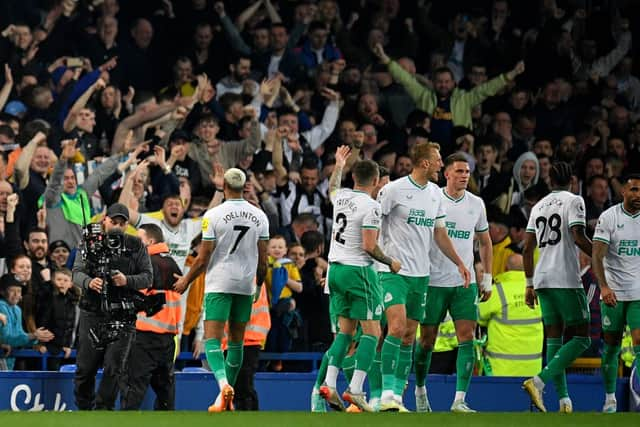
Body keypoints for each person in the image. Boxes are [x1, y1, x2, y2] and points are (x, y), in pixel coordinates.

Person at [376, 142, 470, 412]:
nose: (442, 164)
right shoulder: (393, 190)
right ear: (425, 163)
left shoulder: (434, 194)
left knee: (408, 336)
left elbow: (439, 233)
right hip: (394, 271)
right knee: (394, 328)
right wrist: (376, 259)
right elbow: (373, 222)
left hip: (421, 274)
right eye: (439, 160)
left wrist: (460, 263)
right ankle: (384, 394)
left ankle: (396, 395)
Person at [172, 168, 268, 412]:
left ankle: (224, 385)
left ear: (224, 186)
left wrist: (185, 281)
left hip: (219, 283)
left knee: (212, 339)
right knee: (237, 341)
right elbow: (264, 260)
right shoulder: (260, 216)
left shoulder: (213, 215)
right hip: (245, 284)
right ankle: (225, 399)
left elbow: (203, 258)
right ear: (245, 187)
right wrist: (257, 284)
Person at [315, 146, 401, 412]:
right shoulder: (372, 206)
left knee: (346, 331)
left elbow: (331, 187)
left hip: (335, 270)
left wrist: (339, 164)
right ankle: (355, 389)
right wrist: (391, 262)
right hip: (359, 272)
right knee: (373, 333)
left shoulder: (341, 197)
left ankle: (329, 383)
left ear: (354, 178)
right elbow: (368, 245)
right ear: (376, 182)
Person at [413, 153, 493, 413]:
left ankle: (459, 399)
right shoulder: (433, 198)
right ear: (446, 174)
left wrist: (487, 277)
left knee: (467, 337)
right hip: (434, 281)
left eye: (467, 171)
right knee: (426, 341)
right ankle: (421, 389)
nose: (464, 175)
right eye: (459, 171)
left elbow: (485, 241)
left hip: (463, 283)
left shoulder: (476, 204)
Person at [522, 162, 593, 413]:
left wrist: (529, 284)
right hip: (565, 277)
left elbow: (526, 247)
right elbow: (577, 235)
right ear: (571, 180)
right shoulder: (574, 201)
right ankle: (538, 381)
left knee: (555, 337)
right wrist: (602, 257)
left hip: (542, 278)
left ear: (549, 180)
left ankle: (564, 401)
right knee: (582, 338)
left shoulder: (538, 206)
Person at [72, 203, 153, 410]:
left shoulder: (136, 245)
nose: (117, 226)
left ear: (127, 225)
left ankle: (103, 411)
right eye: (113, 221)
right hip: (92, 313)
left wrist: (127, 280)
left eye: (122, 223)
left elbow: (148, 278)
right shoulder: (90, 242)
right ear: (104, 220)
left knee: (113, 368)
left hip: (123, 315)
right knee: (85, 368)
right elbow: (76, 273)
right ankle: (83, 410)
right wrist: (89, 282)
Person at [592, 173, 640, 413]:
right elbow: (597, 256)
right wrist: (603, 286)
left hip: (638, 294)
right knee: (611, 346)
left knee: (639, 343)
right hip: (613, 294)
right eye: (633, 190)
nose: (637, 195)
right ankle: (610, 398)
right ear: (623, 191)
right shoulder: (609, 217)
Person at [125, 223, 182, 410]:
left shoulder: (146, 264)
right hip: (167, 337)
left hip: (144, 335)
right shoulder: (172, 263)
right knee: (165, 390)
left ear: (149, 241)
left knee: (134, 387)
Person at [478, 254, 543, 377]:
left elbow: (479, 318)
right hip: (533, 369)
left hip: (501, 370)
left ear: (506, 269)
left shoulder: (498, 291)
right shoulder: (537, 291)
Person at [0, 273, 54, 370]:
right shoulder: (1, 306)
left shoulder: (17, 309)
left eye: (19, 291)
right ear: (2, 292)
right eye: (12, 290)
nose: (16, 294)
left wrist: (36, 339)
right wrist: (33, 335)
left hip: (9, 363)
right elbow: (5, 338)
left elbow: (20, 337)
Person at [39, 268, 80, 371]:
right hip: (47, 345)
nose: (62, 283)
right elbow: (43, 320)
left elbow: (71, 326)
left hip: (62, 346)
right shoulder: (49, 298)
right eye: (59, 280)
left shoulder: (73, 302)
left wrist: (67, 345)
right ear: (53, 282)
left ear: (71, 284)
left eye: (65, 280)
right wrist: (41, 343)